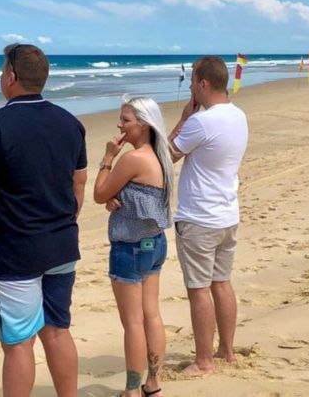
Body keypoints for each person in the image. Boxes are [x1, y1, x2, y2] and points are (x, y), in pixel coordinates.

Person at [0, 44, 87, 397]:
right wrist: (66, 220)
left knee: (18, 343)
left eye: (3, 71)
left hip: (17, 252)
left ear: (12, 77)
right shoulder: (70, 123)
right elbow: (78, 183)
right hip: (62, 245)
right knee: (57, 330)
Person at [168, 56, 248, 376]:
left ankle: (204, 361)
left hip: (200, 217)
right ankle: (226, 350)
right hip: (226, 214)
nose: (190, 88)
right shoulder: (238, 115)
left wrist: (183, 119)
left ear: (203, 83)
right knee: (221, 283)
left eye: (192, 82)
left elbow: (167, 155)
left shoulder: (202, 122)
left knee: (199, 289)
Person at [94, 96, 172, 397]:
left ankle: (131, 391)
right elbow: (137, 199)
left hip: (130, 247)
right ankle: (153, 384)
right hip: (154, 243)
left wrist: (108, 158)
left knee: (133, 322)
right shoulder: (160, 156)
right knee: (151, 314)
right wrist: (117, 200)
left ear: (144, 124)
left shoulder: (133, 158)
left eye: (126, 120)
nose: (120, 125)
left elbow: (99, 193)